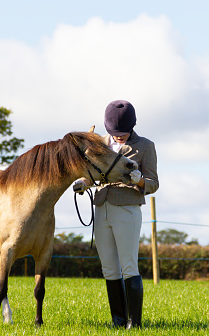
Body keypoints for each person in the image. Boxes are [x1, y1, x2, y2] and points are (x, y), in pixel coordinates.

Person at [74, 100, 159, 329]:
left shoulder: (145, 146)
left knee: (129, 265)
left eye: (123, 133)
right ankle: (118, 321)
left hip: (127, 209)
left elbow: (154, 183)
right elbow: (92, 173)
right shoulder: (98, 143)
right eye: (115, 133)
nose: (119, 137)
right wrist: (83, 182)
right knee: (109, 268)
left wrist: (139, 179)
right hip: (102, 208)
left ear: (132, 126)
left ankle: (135, 322)